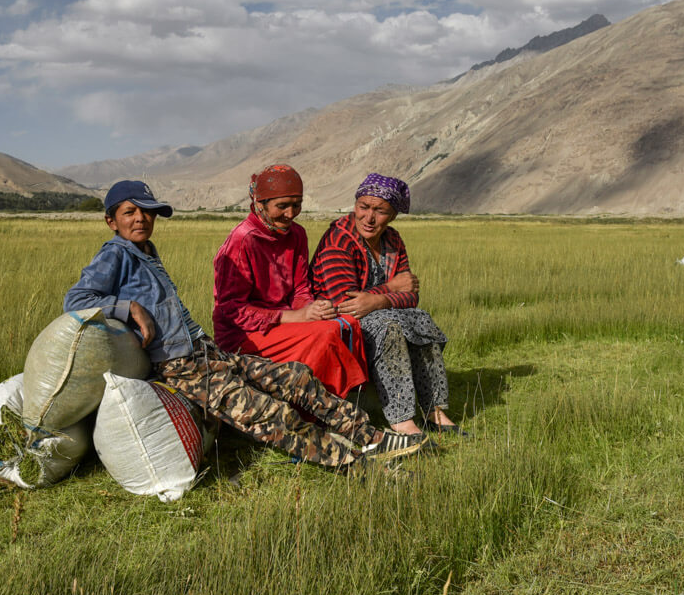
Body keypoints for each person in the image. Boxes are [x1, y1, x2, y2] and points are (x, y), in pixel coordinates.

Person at [64, 179, 424, 470]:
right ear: (112, 221)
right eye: (130, 213)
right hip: (180, 367)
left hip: (204, 350)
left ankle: (370, 435)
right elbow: (76, 300)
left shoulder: (144, 250)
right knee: (268, 412)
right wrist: (129, 309)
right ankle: (354, 460)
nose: (141, 219)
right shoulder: (114, 254)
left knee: (296, 378)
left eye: (147, 212)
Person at [311, 174, 464, 438]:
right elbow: (347, 305)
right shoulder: (338, 242)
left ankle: (433, 410)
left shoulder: (392, 240)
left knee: (421, 319)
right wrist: (390, 289)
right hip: (340, 322)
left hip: (377, 311)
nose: (369, 218)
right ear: (355, 205)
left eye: (380, 211)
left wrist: (376, 299)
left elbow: (411, 295)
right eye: (363, 207)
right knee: (389, 327)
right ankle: (401, 419)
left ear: (392, 215)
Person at [212, 164, 370, 399]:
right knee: (325, 334)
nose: (290, 213)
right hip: (243, 335)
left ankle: (343, 399)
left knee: (348, 323)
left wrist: (312, 308)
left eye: (296, 205)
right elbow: (233, 311)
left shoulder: (296, 234)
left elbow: (299, 289)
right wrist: (298, 317)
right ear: (260, 204)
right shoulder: (242, 241)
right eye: (282, 206)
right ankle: (313, 409)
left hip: (283, 323)